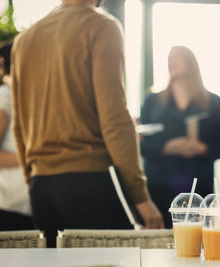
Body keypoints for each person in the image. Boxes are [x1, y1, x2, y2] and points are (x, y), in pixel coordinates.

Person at [11, 0, 163, 247]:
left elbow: (20, 128)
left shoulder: (25, 40)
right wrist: (140, 197)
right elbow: (114, 117)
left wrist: (34, 181)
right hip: (90, 181)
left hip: (42, 187)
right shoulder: (101, 26)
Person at [140, 46, 220, 228]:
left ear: (191, 62)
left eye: (176, 57)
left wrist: (202, 148)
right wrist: (167, 147)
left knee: (200, 246)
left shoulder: (213, 102)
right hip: (159, 188)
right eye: (169, 57)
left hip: (199, 189)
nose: (171, 61)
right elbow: (139, 145)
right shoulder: (152, 102)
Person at [0, 41, 33, 230]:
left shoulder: (24, 95)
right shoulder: (5, 96)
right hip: (8, 205)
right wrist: (31, 157)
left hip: (25, 204)